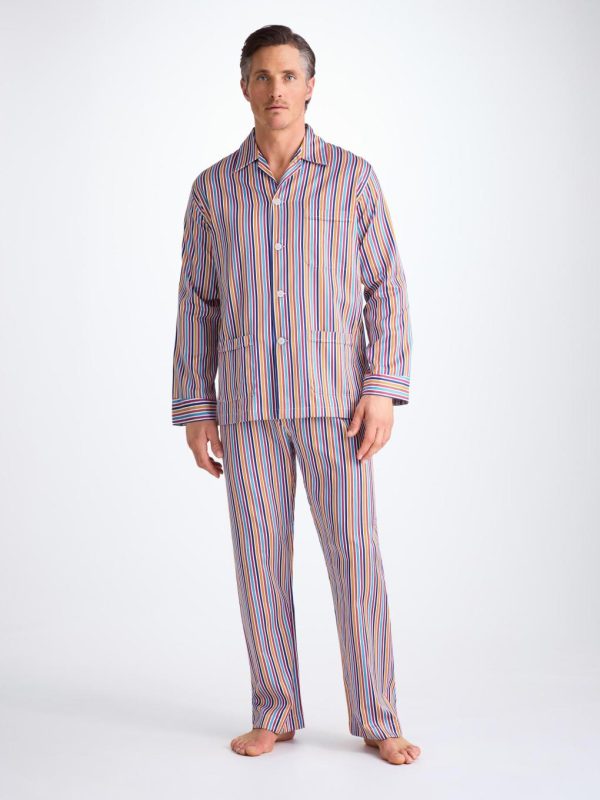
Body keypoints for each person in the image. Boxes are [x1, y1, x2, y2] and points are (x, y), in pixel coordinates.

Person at [171, 24, 421, 766]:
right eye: (262, 76)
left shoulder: (352, 178)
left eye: (288, 76)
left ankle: (377, 715)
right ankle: (274, 709)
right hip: (247, 408)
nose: (275, 89)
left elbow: (386, 289)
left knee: (355, 560)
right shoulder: (213, 190)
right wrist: (196, 408)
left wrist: (382, 389)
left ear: (310, 87)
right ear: (244, 87)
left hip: (336, 406)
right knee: (259, 562)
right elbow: (197, 302)